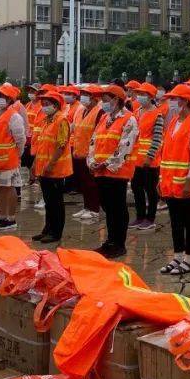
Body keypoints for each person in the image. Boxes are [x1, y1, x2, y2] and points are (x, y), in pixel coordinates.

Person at [157, 84, 190, 273]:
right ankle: (177, 256)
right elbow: (167, 153)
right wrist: (160, 179)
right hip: (170, 181)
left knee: (188, 220)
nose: (171, 102)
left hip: (185, 181)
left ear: (186, 101)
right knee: (175, 220)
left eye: (175, 99)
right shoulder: (173, 121)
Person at [86, 85, 137, 258]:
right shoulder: (104, 118)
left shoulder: (129, 119)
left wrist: (106, 163)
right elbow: (93, 141)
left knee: (118, 208)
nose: (103, 103)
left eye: (106, 100)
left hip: (117, 171)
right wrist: (92, 161)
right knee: (107, 207)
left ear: (116, 100)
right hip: (100, 171)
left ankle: (119, 243)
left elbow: (124, 146)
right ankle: (110, 241)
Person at [30, 90, 72, 244]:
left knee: (56, 202)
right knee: (48, 201)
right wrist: (35, 165)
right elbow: (42, 145)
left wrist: (51, 164)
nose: (44, 107)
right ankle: (47, 229)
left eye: (47, 104)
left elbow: (61, 146)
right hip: (44, 168)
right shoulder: (46, 120)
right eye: (43, 104)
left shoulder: (61, 120)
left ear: (55, 105)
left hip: (55, 169)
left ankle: (56, 232)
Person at [0, 83, 26, 231]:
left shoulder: (14, 116)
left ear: (10, 100)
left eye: (3, 97)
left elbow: (20, 139)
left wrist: (17, 155)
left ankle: (11, 219)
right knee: (0, 188)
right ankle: (2, 216)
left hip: (9, 159)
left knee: (10, 187)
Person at [129, 82, 163, 232]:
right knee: (137, 188)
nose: (140, 97)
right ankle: (140, 216)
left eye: (143, 95)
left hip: (150, 161)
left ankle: (150, 218)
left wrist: (149, 157)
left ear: (150, 97)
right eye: (139, 94)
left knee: (150, 189)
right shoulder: (137, 112)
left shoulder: (157, 114)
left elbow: (157, 138)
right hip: (136, 159)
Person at [70, 85, 103, 221]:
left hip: (91, 154)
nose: (83, 97)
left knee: (91, 183)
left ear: (95, 98)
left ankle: (94, 208)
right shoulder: (80, 111)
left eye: (86, 94)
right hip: (78, 152)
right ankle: (86, 206)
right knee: (83, 183)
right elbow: (74, 127)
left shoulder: (99, 112)